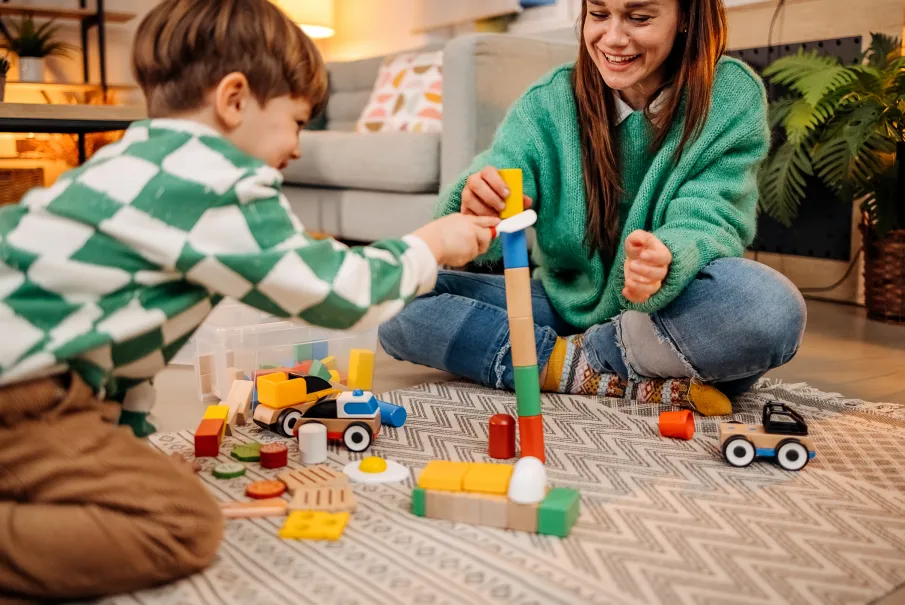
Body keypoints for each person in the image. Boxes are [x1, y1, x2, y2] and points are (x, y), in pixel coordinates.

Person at [0, 0, 497, 600]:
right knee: (180, 524)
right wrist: (428, 245)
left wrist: (129, 449)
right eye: (295, 120)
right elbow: (341, 295)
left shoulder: (127, 162)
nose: (296, 148)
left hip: (29, 369)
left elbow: (124, 354)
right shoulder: (218, 181)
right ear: (234, 100)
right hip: (24, 389)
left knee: (144, 478)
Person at [379, 0, 806, 415]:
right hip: (562, 305)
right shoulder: (548, 101)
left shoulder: (728, 94)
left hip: (659, 314)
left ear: (686, 17)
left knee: (770, 308)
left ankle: (557, 362)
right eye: (598, 14)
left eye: (639, 17)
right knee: (397, 298)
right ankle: (593, 369)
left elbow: (711, 214)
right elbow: (493, 186)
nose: (613, 38)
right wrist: (474, 207)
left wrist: (668, 257)